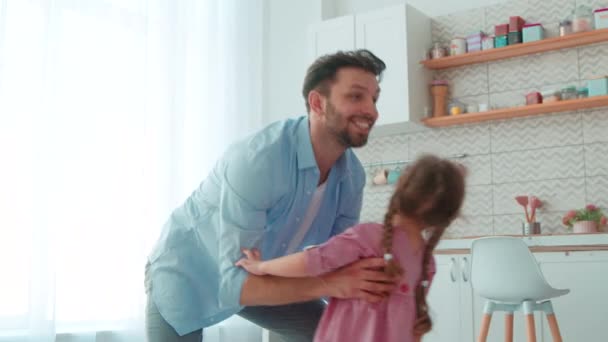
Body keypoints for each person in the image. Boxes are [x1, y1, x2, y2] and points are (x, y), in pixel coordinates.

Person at [145, 49, 395, 342]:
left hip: (258, 274)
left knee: (328, 333)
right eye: (356, 96)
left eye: (374, 98)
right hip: (187, 270)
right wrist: (333, 283)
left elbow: (340, 259)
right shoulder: (258, 160)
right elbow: (235, 285)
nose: (372, 110)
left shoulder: (351, 178)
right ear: (317, 103)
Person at [236, 154, 467, 342]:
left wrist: (263, 266)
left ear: (401, 190)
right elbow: (416, 326)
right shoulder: (427, 262)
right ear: (447, 216)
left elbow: (311, 261)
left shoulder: (367, 237)